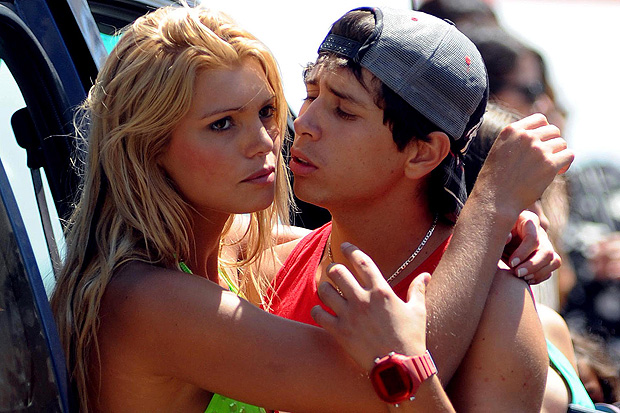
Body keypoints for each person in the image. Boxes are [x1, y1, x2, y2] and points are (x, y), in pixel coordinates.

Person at [49, 5, 455, 412]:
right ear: (149, 146)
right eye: (222, 124)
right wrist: (486, 212)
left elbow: (340, 241)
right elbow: (385, 391)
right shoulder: (151, 300)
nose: (263, 142)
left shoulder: (225, 250)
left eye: (266, 111)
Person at [265, 7, 573, 411]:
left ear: (423, 153)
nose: (304, 122)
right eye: (310, 94)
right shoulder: (269, 263)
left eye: (344, 111)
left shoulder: (497, 303)